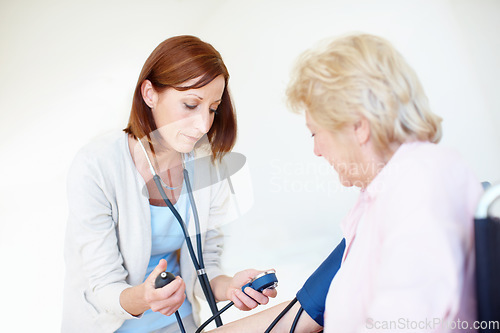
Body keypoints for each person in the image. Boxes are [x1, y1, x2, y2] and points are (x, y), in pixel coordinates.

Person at [207, 33, 482, 333]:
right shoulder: (381, 193)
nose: (317, 150)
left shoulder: (421, 182)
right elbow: (309, 313)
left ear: (358, 125)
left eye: (315, 133)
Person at [62, 35, 276, 333]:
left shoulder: (207, 166)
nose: (203, 125)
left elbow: (204, 266)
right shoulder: (96, 165)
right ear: (150, 94)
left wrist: (230, 287)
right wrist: (148, 297)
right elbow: (103, 286)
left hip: (180, 322)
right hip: (110, 324)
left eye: (213, 108)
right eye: (190, 104)